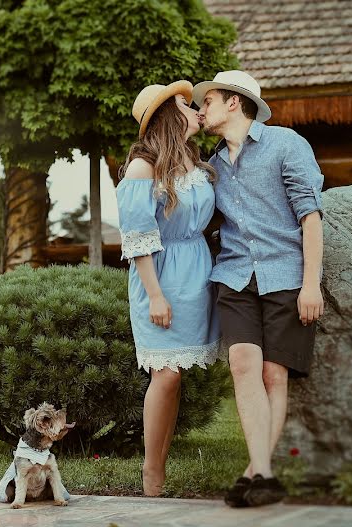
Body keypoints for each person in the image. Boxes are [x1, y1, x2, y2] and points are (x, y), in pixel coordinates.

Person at [195, 70, 325, 507]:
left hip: (285, 275)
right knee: (242, 365)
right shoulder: (211, 166)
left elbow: (310, 218)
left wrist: (311, 286)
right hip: (234, 276)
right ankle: (264, 473)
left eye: (208, 101)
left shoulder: (287, 145)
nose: (202, 109)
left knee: (274, 374)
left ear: (234, 102)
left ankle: (253, 473)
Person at [116, 80, 221, 497]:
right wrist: (155, 295)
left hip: (197, 273)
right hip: (159, 277)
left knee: (175, 377)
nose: (196, 111)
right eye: (186, 105)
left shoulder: (196, 164)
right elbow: (138, 237)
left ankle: (159, 462)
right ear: (167, 116)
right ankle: (151, 471)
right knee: (166, 375)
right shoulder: (143, 168)